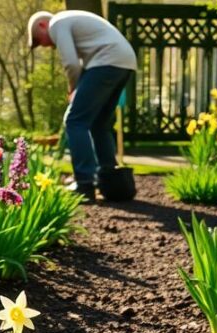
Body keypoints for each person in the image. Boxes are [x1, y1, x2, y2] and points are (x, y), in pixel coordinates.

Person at [28, 10, 136, 201]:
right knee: (99, 123)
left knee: (74, 121)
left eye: (39, 40)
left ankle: (84, 183)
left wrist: (73, 89)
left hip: (106, 61)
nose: (44, 46)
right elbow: (80, 61)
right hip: (124, 62)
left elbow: (71, 63)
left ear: (43, 25)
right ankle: (109, 182)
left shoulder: (57, 24)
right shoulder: (72, 21)